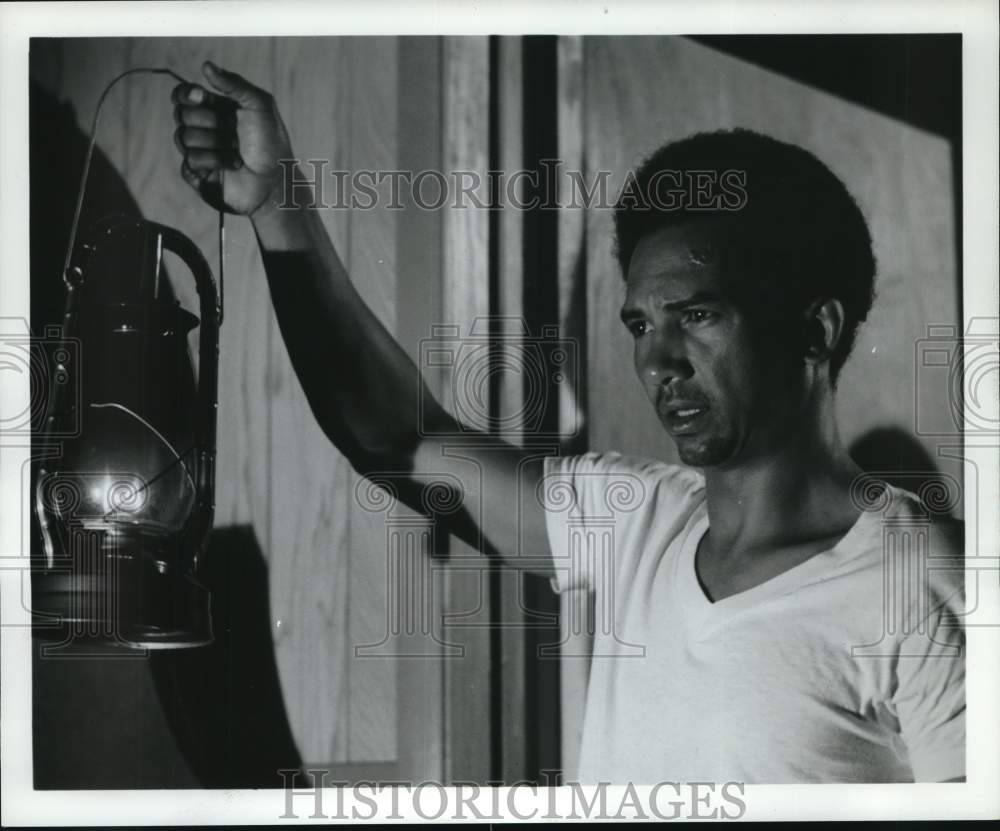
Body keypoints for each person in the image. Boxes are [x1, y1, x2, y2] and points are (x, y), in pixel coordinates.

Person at [171, 61, 965, 784]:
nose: (660, 361)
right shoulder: (637, 521)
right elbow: (393, 438)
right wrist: (280, 207)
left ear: (816, 330)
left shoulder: (920, 592)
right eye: (640, 325)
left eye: (697, 314)